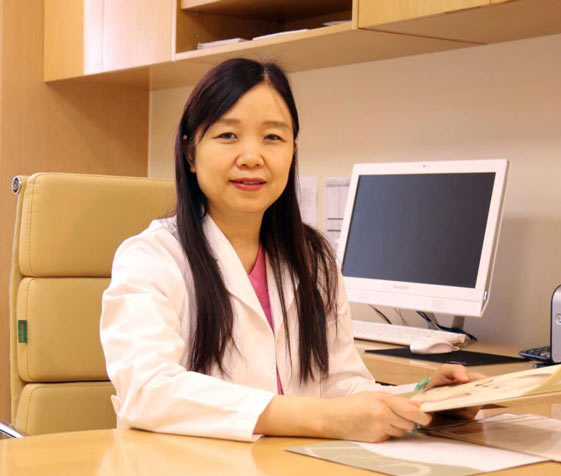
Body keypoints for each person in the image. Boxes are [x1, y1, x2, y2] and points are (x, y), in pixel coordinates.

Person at [100, 58, 480, 443]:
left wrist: (419, 401)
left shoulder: (313, 259)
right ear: (190, 152)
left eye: (273, 137)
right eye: (228, 135)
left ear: (292, 150)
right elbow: (148, 388)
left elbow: (340, 385)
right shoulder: (152, 258)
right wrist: (324, 419)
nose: (252, 157)